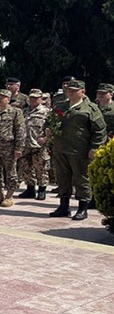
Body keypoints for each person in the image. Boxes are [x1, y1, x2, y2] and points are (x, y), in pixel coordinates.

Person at [44, 80, 107, 220]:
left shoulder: (90, 109)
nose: (70, 92)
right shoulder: (61, 106)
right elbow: (49, 121)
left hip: (80, 150)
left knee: (81, 179)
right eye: (68, 90)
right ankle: (63, 207)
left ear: (82, 92)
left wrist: (95, 147)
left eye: (74, 90)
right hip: (61, 148)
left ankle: (82, 208)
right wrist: (47, 129)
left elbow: (100, 130)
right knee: (62, 178)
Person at [0, 89, 26, 207]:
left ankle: (9, 196)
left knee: (11, 173)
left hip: (9, 148)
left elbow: (20, 131)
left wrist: (19, 148)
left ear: (8, 99)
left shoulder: (15, 112)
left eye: (1, 97)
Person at [17, 89, 50, 201]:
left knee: (41, 168)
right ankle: (30, 189)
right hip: (25, 144)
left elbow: (53, 128)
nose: (33, 100)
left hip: (39, 145)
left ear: (41, 99)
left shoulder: (46, 112)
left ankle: (42, 190)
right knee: (26, 167)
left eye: (36, 98)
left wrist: (46, 138)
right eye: (31, 98)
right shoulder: (23, 111)